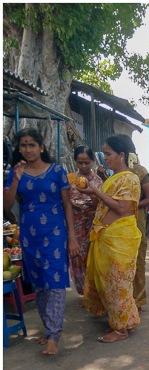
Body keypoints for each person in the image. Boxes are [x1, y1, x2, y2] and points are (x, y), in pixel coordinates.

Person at [4, 128, 80, 356]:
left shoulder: (57, 171)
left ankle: (54, 336)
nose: (27, 150)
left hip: (55, 234)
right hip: (29, 236)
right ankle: (49, 330)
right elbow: (6, 206)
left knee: (54, 283)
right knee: (39, 285)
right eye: (23, 146)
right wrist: (16, 180)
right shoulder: (16, 173)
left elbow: (67, 205)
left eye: (31, 145)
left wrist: (72, 237)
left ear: (41, 147)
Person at [78, 135, 142, 343]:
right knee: (110, 283)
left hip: (118, 239)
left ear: (121, 155)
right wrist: (92, 193)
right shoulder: (114, 178)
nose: (105, 158)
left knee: (117, 284)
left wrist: (96, 189)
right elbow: (105, 204)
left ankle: (120, 329)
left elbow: (122, 208)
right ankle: (126, 320)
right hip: (107, 236)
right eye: (104, 154)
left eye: (108, 154)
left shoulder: (129, 178)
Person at [117, 134, 149, 312]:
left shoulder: (140, 172)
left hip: (136, 223)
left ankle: (137, 300)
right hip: (117, 225)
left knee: (137, 261)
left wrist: (131, 206)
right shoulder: (115, 172)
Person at [67, 145, 103, 296]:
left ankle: (92, 293)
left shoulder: (97, 181)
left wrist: (91, 192)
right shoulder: (70, 179)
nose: (83, 166)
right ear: (75, 161)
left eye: (87, 162)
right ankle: (84, 292)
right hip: (75, 224)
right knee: (77, 259)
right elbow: (65, 203)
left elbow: (100, 204)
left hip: (92, 224)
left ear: (93, 162)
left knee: (92, 258)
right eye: (80, 162)